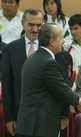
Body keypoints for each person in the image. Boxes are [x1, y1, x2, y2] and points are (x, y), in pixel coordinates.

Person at [16, 23, 80, 137]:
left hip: (29, 125)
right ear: (51, 41)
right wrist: (80, 100)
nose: (63, 41)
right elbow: (62, 90)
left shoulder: (34, 57)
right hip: (39, 126)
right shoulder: (48, 62)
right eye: (61, 38)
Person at [1, 8, 43, 137]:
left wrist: (63, 114)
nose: (35, 29)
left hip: (46, 115)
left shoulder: (50, 46)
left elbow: (61, 82)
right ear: (22, 24)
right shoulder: (11, 49)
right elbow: (7, 86)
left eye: (39, 25)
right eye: (31, 25)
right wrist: (8, 118)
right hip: (20, 115)